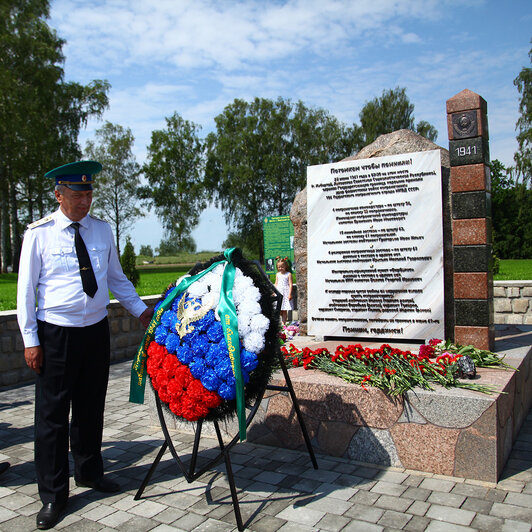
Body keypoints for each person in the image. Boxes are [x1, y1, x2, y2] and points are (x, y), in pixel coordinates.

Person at [17, 161, 153, 530]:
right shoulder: (39, 234)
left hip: (95, 330)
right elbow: (26, 291)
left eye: (89, 194)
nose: (85, 201)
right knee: (52, 418)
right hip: (56, 334)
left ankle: (90, 472)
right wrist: (31, 340)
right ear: (58, 195)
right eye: (77, 195)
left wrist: (142, 313)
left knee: (91, 407)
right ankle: (53, 495)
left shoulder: (101, 231)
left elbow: (116, 279)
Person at [274, 257, 293, 324]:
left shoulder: (288, 274)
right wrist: (274, 292)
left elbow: (290, 284)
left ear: (285, 266)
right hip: (279, 292)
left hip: (285, 292)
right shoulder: (277, 274)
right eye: (279, 267)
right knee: (279, 309)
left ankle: (283, 323)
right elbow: (276, 283)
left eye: (282, 267)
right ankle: (278, 322)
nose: (280, 268)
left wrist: (290, 294)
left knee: (284, 309)